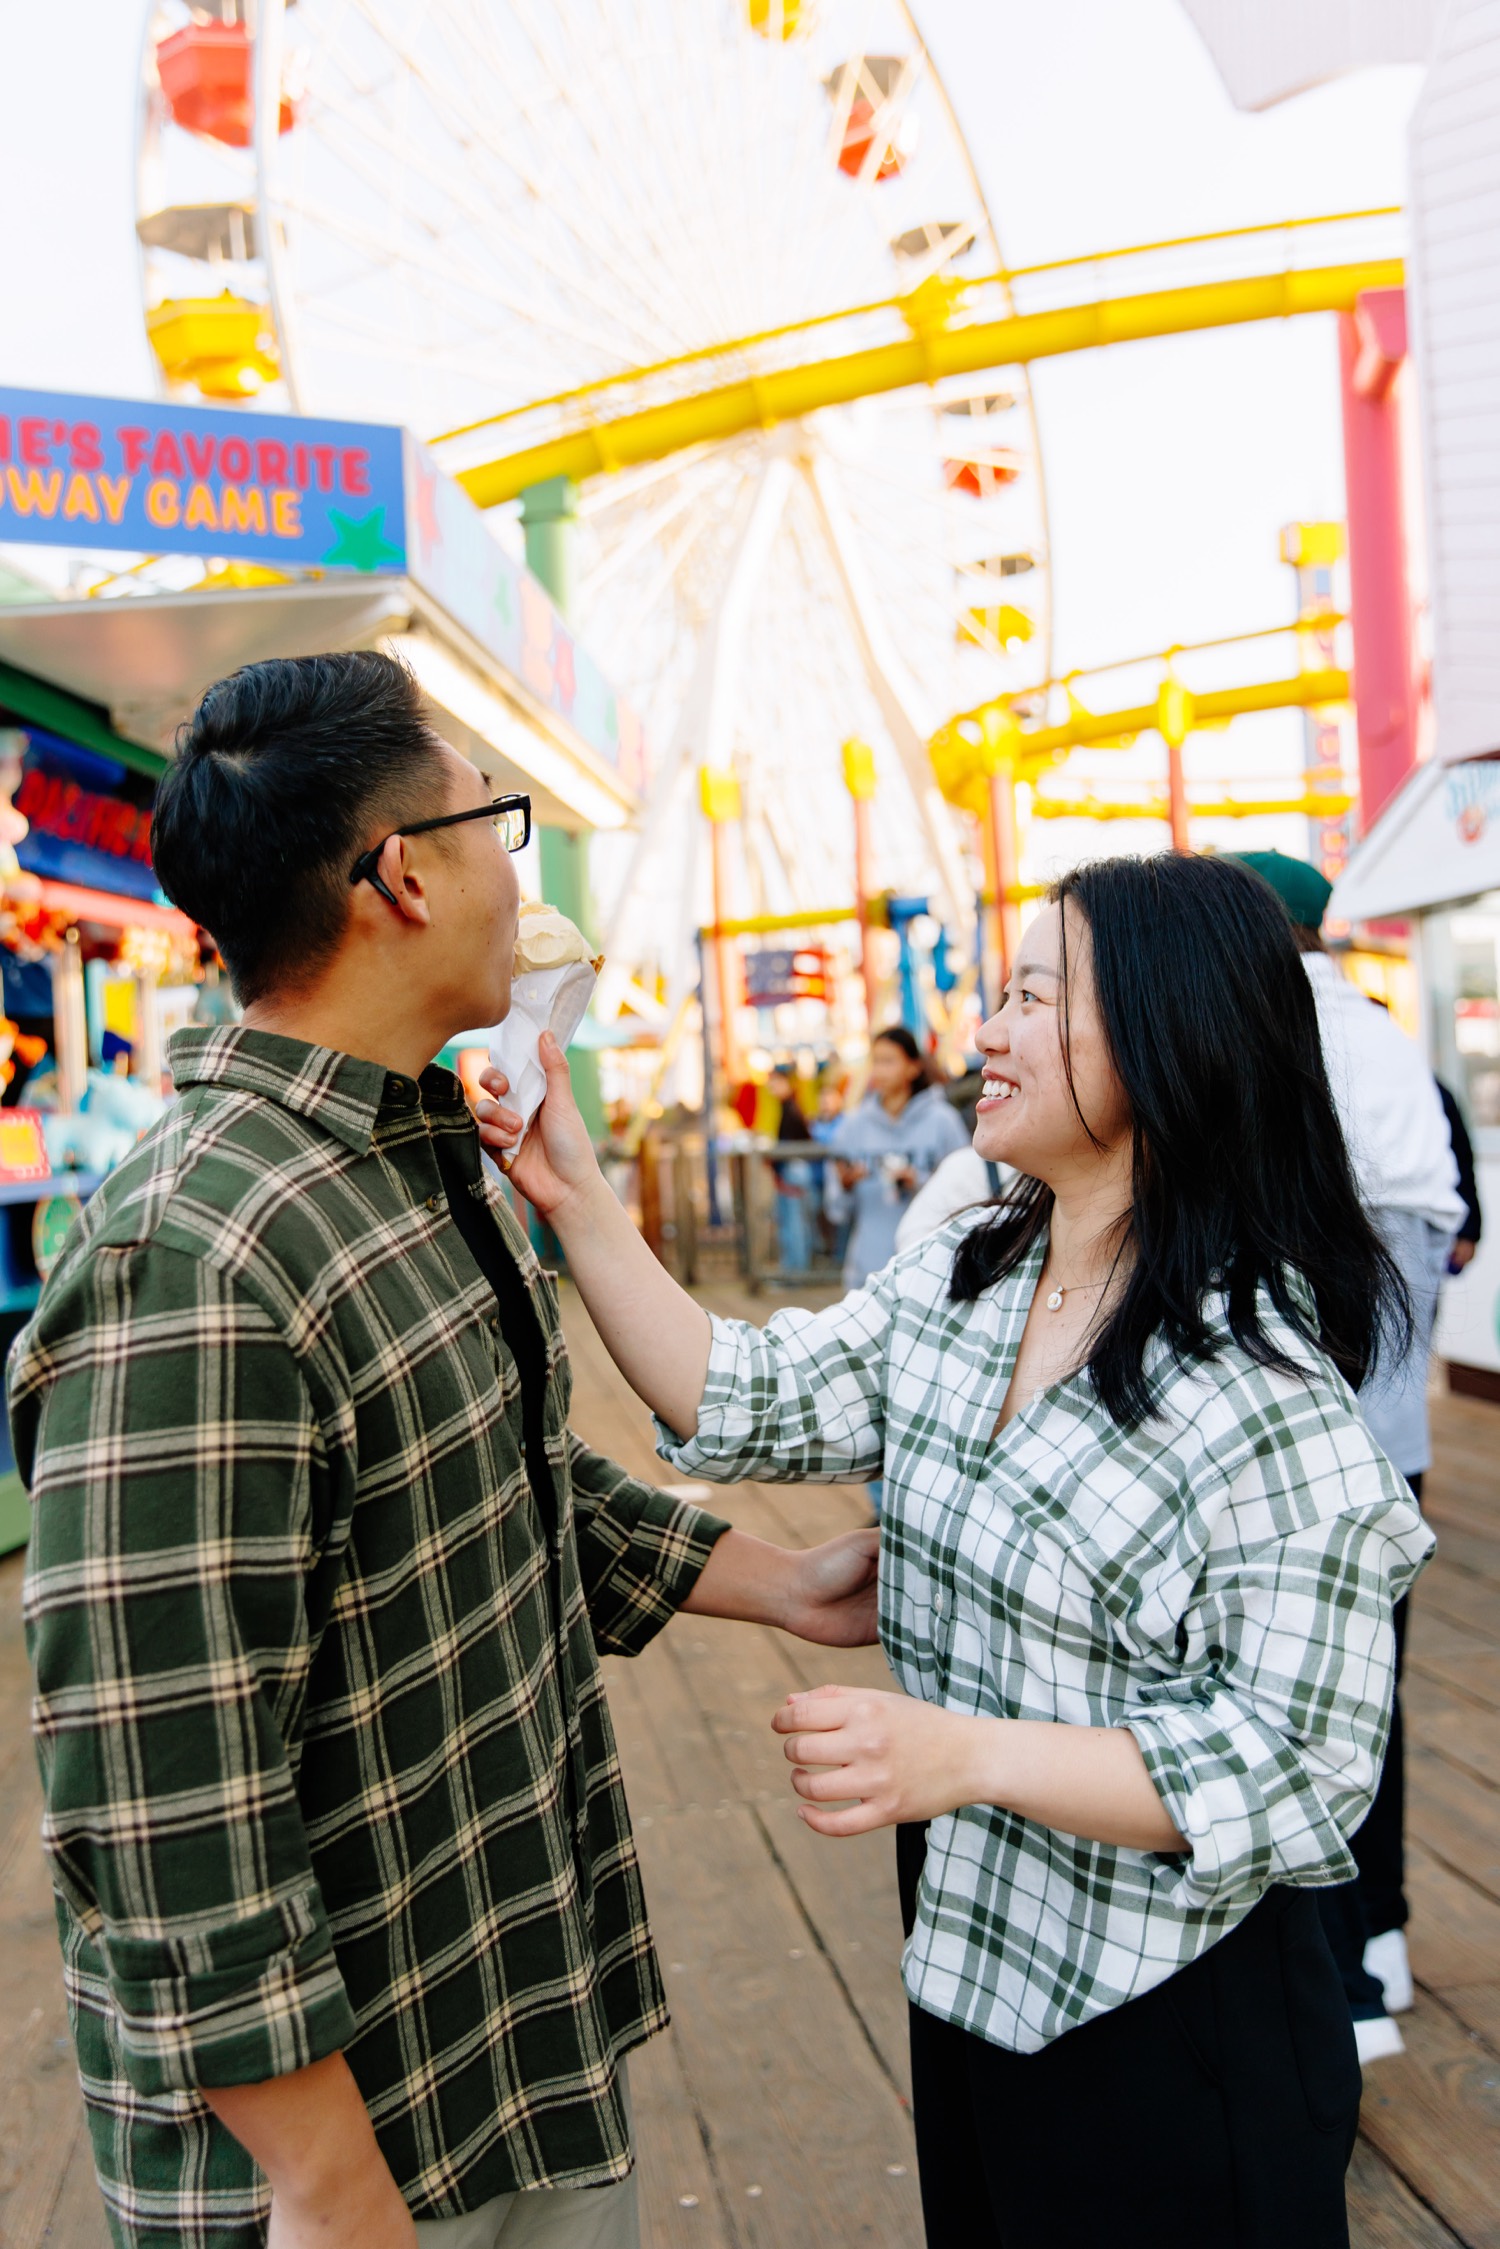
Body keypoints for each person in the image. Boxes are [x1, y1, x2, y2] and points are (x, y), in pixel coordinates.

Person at [9, 652, 880, 2249]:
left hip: (507, 2023)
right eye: (501, 823)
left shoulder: (428, 1157)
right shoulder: (189, 1254)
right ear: (404, 874)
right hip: (353, 2147)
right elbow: (157, 1791)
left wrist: (793, 1584)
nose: (514, 867)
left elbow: (494, 1473)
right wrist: (332, 2192)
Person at [477, 851, 1431, 2249]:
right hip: (975, 1963)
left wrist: (966, 1756)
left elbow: (1298, 1765)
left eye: (1034, 997)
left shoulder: (1260, 1382)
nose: (983, 1030)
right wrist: (573, 1194)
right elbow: (743, 1394)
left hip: (1172, 2018)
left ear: (1174, 1038)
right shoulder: (970, 1274)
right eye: (999, 992)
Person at [1230, 850, 1463, 2059]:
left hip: (1317, 1460)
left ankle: (1344, 1992)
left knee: (1307, 1703)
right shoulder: (1377, 1033)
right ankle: (1383, 1937)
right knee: (1373, 1691)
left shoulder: (1275, 1036)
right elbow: (1448, 1219)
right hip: (1400, 1445)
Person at [827, 1024, 967, 1289]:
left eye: (888, 1061)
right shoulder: (853, 1126)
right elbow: (836, 1210)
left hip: (930, 1272)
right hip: (868, 1273)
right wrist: (845, 1185)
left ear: (913, 1067)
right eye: (875, 1062)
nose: (879, 1071)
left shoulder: (943, 1121)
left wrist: (921, 1182)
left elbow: (966, 1194)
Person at [764, 1060, 814, 1279]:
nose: (772, 1087)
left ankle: (795, 1272)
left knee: (793, 1225)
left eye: (775, 1082)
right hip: (790, 1171)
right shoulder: (787, 1107)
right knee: (793, 1224)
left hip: (792, 1172)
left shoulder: (791, 1109)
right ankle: (794, 1270)